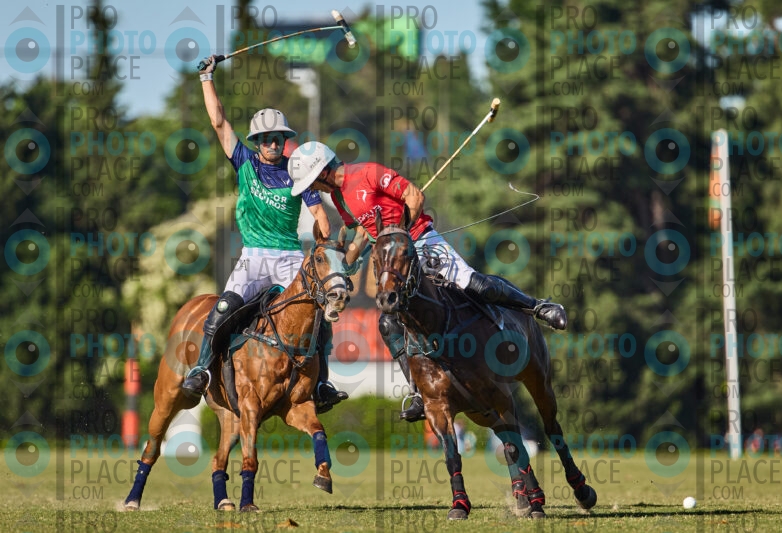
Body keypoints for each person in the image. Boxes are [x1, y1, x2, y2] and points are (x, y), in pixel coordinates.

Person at [288, 141, 567, 422]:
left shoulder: (368, 173)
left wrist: (402, 235)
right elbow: (362, 230)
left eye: (312, 183)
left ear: (323, 171)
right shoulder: (338, 198)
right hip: (390, 260)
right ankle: (419, 392)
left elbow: (414, 196)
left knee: (472, 284)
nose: (314, 189)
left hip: (420, 240)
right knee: (388, 323)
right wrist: (348, 261)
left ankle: (538, 307)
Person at [181, 57, 348, 413]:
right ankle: (202, 370)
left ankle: (321, 384)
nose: (273, 143)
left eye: (279, 138)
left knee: (318, 316)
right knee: (223, 308)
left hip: (289, 258)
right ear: (257, 141)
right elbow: (218, 121)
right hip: (254, 257)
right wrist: (207, 78)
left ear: (285, 140)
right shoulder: (243, 161)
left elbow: (320, 215)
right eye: (267, 139)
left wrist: (326, 244)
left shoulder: (297, 173)